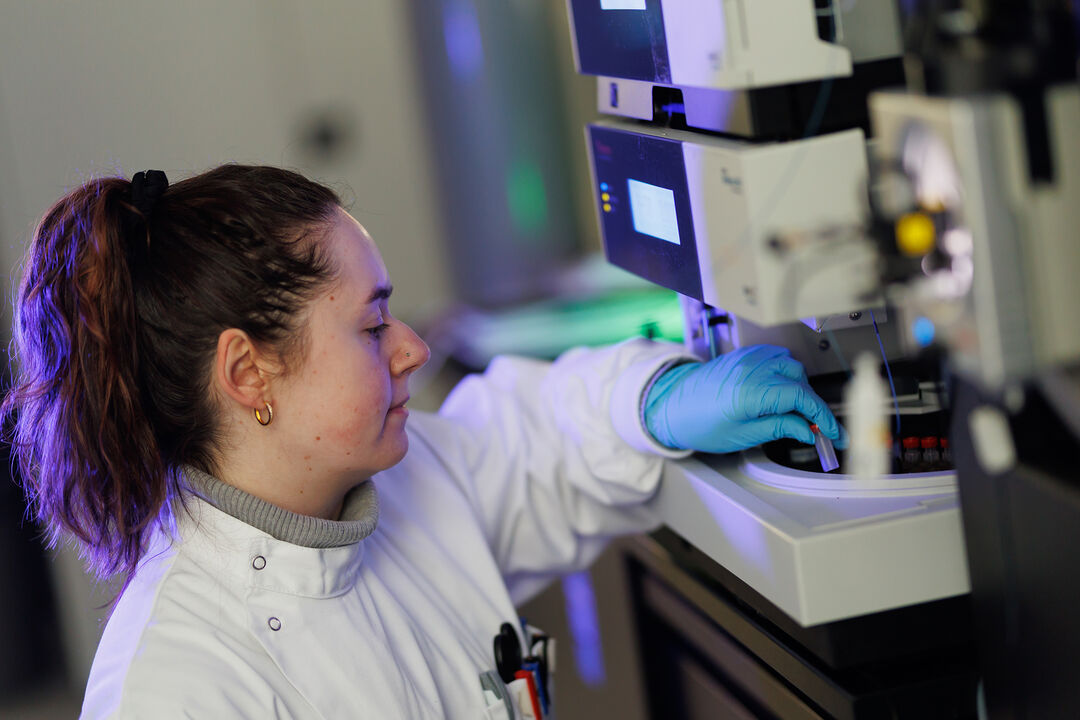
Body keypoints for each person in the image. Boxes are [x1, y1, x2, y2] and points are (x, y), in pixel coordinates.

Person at [3, 165, 844, 719]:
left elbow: (536, 442)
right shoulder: (176, 689)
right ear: (249, 375)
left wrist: (660, 395)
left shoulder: (399, 487)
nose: (412, 347)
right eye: (372, 326)